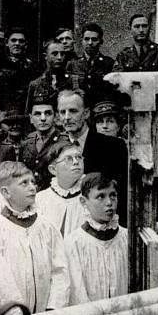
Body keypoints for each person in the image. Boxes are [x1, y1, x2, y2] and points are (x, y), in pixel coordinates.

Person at [0, 160, 70, 314]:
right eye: (24, 183)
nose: (32, 187)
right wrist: (15, 313)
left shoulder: (47, 227)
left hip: (46, 314)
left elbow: (60, 270)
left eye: (32, 182)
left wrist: (53, 307)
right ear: (6, 192)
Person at [56, 88, 129, 224]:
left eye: (73, 111)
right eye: (62, 112)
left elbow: (122, 194)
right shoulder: (56, 149)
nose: (67, 117)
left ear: (86, 113)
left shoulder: (113, 146)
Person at [65, 173, 128, 305]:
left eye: (113, 195)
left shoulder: (126, 237)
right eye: (101, 197)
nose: (109, 203)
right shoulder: (74, 243)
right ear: (84, 202)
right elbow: (77, 293)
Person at [35, 138, 84, 237]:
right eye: (68, 159)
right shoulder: (41, 199)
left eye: (79, 157)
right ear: (53, 169)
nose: (76, 162)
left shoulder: (91, 197)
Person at [66, 22, 114, 108]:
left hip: (102, 110)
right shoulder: (73, 64)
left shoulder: (109, 63)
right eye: (86, 39)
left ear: (101, 41)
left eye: (94, 39)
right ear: (82, 41)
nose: (90, 43)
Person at [20, 91, 61, 187]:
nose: (43, 118)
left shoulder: (64, 142)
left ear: (55, 116)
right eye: (37, 114)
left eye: (47, 113)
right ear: (31, 118)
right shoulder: (27, 142)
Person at [24, 40, 73, 114]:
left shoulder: (74, 81)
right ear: (45, 56)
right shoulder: (35, 85)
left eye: (62, 54)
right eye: (55, 54)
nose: (59, 57)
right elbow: (29, 115)